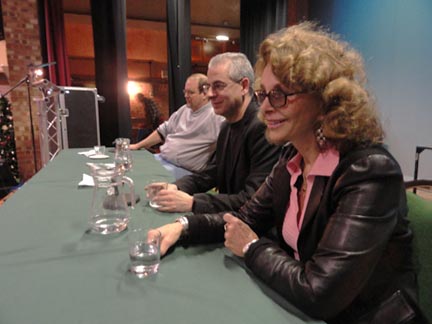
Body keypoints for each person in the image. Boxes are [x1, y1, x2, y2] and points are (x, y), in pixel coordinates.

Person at [155, 22, 427, 323]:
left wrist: (251, 247)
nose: (266, 108)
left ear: (326, 98)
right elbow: (245, 219)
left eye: (281, 94)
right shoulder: (292, 157)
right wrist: (183, 226)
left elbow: (319, 294)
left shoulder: (369, 172)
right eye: (264, 94)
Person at [152, 52, 281, 214]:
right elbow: (210, 174)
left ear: (244, 86)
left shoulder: (263, 128)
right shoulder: (227, 126)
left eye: (218, 86)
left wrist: (193, 203)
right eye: (208, 87)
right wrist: (176, 187)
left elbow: (252, 199)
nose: (210, 94)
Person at [130, 74, 224, 179]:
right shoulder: (184, 109)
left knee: (138, 177)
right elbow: (162, 131)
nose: (186, 96)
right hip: (162, 159)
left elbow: (226, 146)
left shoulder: (215, 116)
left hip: (183, 170)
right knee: (129, 167)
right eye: (185, 92)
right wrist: (137, 145)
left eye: (191, 92)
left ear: (205, 94)